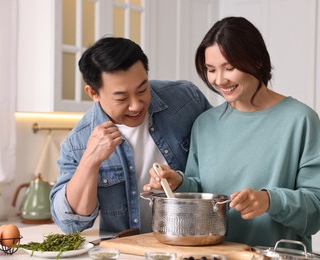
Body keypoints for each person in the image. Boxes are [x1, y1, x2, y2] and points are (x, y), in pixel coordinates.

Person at [144, 17, 320, 251]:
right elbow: (203, 191)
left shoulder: (300, 119)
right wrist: (179, 183)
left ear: (256, 61)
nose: (219, 80)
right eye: (211, 70)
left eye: (229, 68)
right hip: (215, 254)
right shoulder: (205, 123)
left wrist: (270, 201)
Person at [50, 37, 212, 234]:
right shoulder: (78, 142)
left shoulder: (185, 100)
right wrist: (90, 161)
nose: (136, 105)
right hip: (128, 250)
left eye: (142, 89)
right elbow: (70, 224)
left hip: (194, 239)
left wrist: (181, 182)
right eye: (121, 98)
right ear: (93, 93)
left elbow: (220, 160)